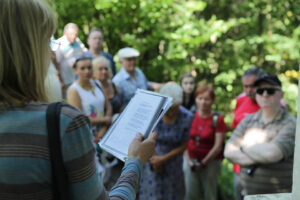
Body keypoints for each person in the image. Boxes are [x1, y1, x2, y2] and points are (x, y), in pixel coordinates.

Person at [0, 1, 157, 199]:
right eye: (46, 42)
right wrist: (135, 161)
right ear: (30, 51)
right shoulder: (62, 123)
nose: (50, 54)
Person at [224, 74, 296, 195]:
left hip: (279, 196)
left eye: (270, 91)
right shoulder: (248, 120)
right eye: (260, 91)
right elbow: (228, 151)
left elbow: (272, 154)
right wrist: (259, 155)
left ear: (281, 95)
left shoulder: (291, 123)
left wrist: (243, 147)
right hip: (248, 194)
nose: (265, 95)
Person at [139, 83, 194, 200]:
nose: (171, 113)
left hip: (173, 163)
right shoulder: (153, 112)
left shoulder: (187, 117)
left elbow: (184, 144)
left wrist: (163, 159)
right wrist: (154, 159)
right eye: (169, 109)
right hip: (151, 160)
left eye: (175, 109)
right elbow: (144, 137)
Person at [183, 85, 228, 200]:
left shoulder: (217, 119)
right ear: (196, 99)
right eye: (200, 98)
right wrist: (189, 161)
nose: (203, 102)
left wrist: (203, 163)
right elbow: (184, 141)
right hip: (190, 161)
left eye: (207, 99)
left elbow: (218, 146)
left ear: (212, 100)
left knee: (209, 194)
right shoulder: (190, 116)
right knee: (190, 194)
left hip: (211, 163)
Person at [231, 67, 265, 199]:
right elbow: (235, 128)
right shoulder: (241, 100)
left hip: (261, 168)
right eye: (245, 86)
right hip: (240, 165)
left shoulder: (270, 102)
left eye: (252, 86)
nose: (249, 90)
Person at [67, 54, 112, 142]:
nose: (87, 71)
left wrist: (104, 127)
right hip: (88, 136)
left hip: (104, 130)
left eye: (89, 67)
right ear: (76, 70)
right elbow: (79, 119)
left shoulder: (97, 84)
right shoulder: (74, 90)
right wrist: (105, 120)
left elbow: (108, 106)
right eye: (82, 68)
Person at [56, 23, 87, 96]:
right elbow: (56, 64)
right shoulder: (59, 44)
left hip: (78, 79)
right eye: (71, 34)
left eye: (75, 34)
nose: (73, 37)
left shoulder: (77, 41)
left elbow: (84, 51)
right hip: (66, 80)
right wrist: (60, 81)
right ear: (64, 33)